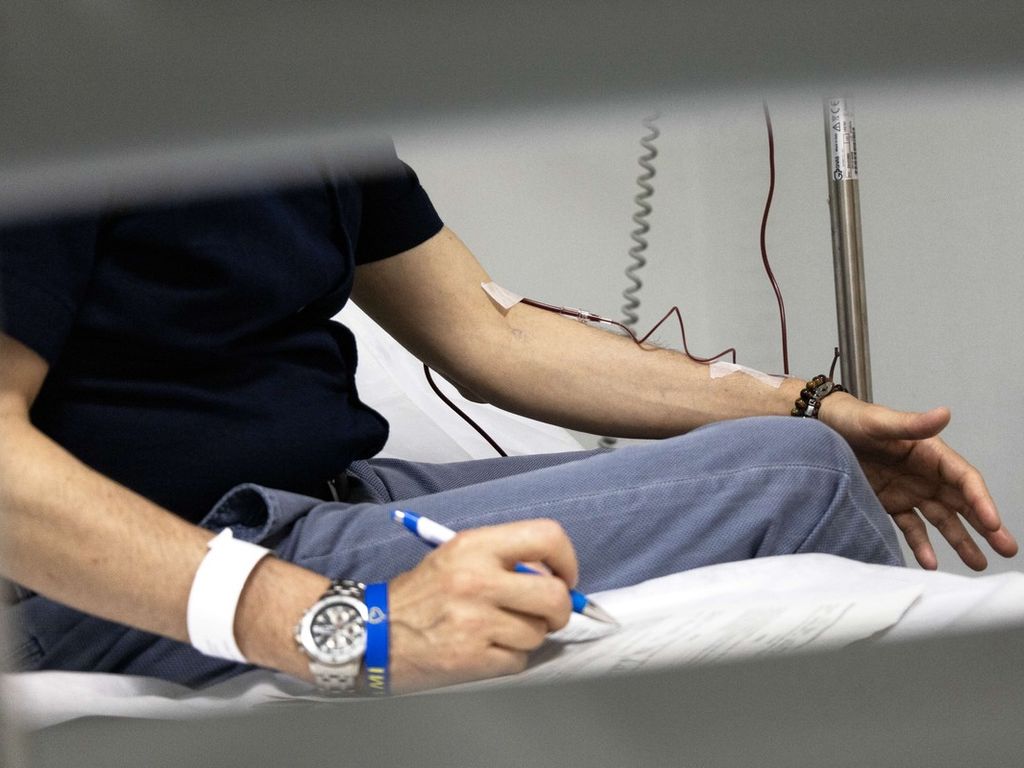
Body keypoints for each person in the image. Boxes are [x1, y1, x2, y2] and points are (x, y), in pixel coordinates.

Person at [0, 142, 1016, 695]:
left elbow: (492, 334)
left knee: (803, 458)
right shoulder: (69, 88)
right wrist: (334, 624)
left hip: (327, 502)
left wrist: (810, 405)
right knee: (795, 483)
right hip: (148, 571)